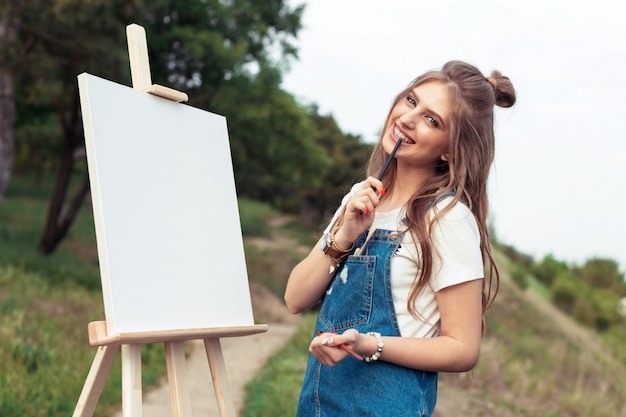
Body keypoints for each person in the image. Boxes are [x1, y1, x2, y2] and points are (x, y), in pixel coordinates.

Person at [284, 60, 516, 417]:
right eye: (411, 101)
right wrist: (344, 235)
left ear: (450, 149)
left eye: (431, 120)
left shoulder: (447, 219)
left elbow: (463, 348)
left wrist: (370, 344)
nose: (407, 119)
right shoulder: (360, 199)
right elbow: (296, 298)